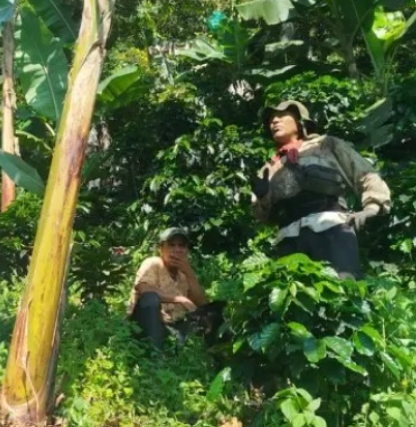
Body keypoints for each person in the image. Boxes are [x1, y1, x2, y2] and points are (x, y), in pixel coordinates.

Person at [250, 100, 391, 278]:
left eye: (281, 115)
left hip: (331, 227)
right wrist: (262, 197)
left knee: (343, 290)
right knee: (299, 300)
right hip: (289, 239)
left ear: (300, 121)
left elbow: (364, 173)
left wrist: (372, 207)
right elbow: (263, 217)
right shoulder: (269, 168)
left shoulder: (325, 145)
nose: (274, 122)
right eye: (271, 120)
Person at [128, 228, 222, 349]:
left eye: (181, 246)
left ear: (187, 250)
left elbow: (202, 304)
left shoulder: (184, 275)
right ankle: (153, 354)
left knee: (213, 312)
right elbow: (143, 288)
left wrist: (189, 272)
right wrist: (180, 299)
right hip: (146, 324)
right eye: (171, 245)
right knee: (150, 298)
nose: (177, 250)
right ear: (161, 249)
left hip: (174, 326)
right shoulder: (153, 263)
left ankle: (217, 358)